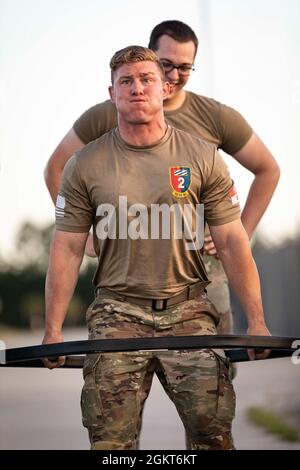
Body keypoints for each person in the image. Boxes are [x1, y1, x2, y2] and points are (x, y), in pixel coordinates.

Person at [42, 46, 270, 451]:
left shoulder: (202, 156)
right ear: (111, 94)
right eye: (125, 81)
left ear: (165, 89)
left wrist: (256, 322)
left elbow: (234, 243)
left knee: (212, 436)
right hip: (117, 311)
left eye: (147, 79)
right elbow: (66, 250)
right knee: (110, 444)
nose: (137, 88)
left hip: (189, 311)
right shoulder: (85, 164)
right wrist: (53, 330)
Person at [44, 20, 280, 336]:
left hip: (201, 271)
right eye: (166, 64)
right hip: (127, 280)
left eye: (185, 67)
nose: (174, 74)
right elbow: (57, 168)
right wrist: (85, 233)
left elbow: (268, 169)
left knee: (216, 362)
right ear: (151, 55)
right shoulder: (110, 112)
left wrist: (243, 230)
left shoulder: (214, 117)